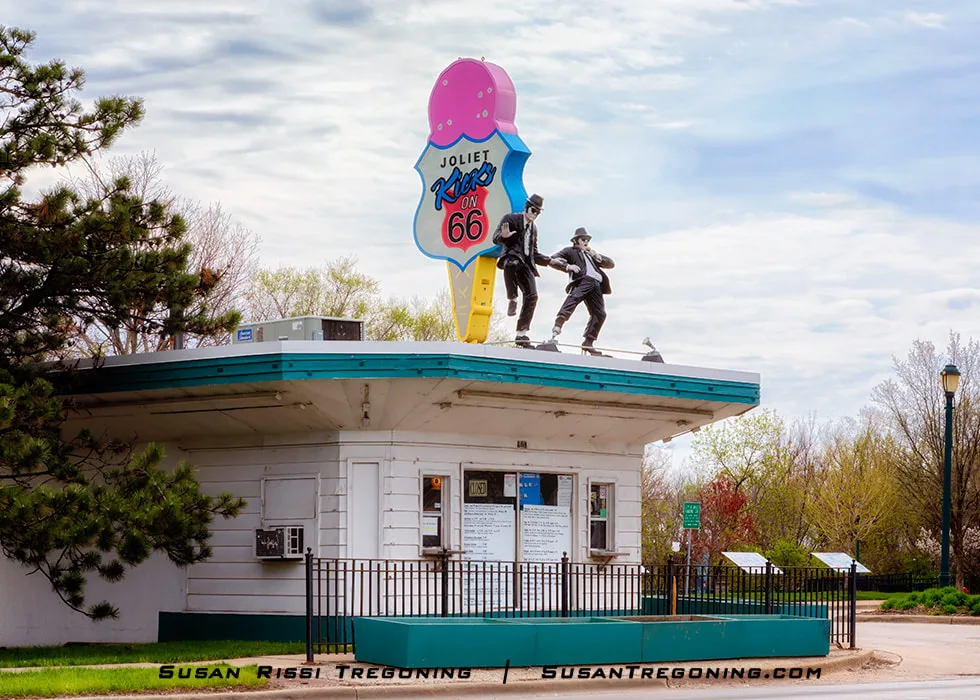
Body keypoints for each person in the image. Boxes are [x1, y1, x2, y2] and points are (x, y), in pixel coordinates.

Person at [492, 193, 551, 348]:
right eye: (533, 210)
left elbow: (535, 253)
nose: (534, 214)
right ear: (526, 207)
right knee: (512, 263)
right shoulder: (510, 219)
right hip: (512, 257)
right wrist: (504, 237)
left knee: (533, 296)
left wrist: (551, 261)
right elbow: (495, 237)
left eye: (537, 212)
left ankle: (521, 333)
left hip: (526, 263)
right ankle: (512, 298)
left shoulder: (534, 229)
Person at [547, 227, 615, 356]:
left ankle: (588, 342)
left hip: (596, 284)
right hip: (584, 280)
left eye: (588, 240)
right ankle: (559, 322)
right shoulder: (570, 251)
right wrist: (567, 266)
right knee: (574, 298)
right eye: (583, 239)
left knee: (600, 313)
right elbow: (553, 259)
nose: (586, 242)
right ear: (576, 240)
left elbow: (611, 264)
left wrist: (598, 256)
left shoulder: (591, 255)